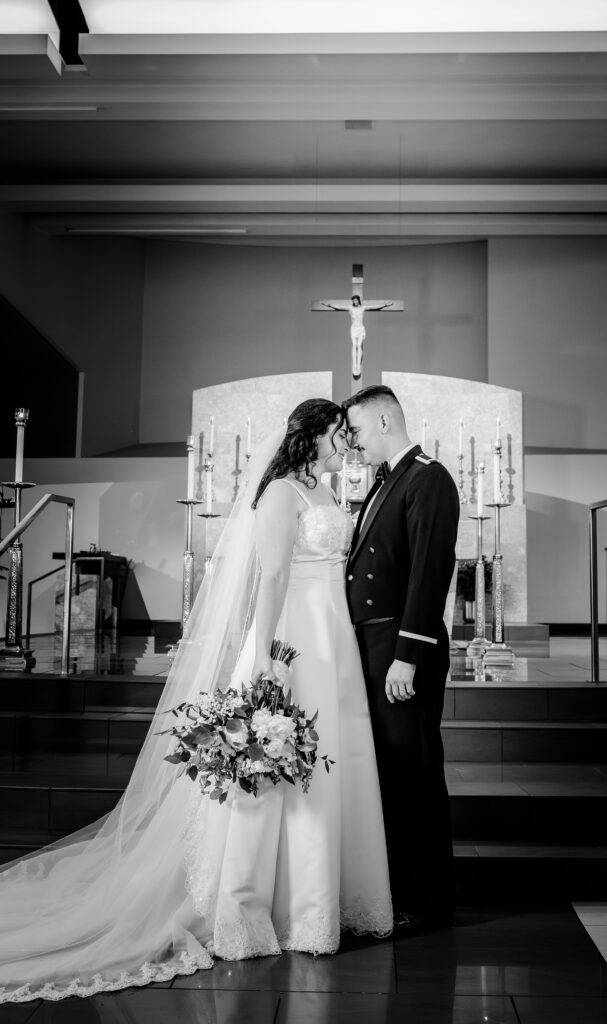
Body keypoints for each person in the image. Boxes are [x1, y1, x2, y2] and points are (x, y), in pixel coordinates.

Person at [0, 399, 392, 1004]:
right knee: (280, 765)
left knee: (328, 757)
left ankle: (317, 899)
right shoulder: (282, 492)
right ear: (312, 434)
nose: (346, 443)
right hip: (293, 638)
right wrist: (263, 653)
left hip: (331, 633)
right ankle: (250, 906)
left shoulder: (324, 490)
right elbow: (275, 576)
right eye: (338, 434)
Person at [343, 385, 459, 927]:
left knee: (413, 770)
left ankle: (426, 902)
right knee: (389, 770)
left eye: (358, 430)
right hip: (374, 645)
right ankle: (398, 893)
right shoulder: (387, 480)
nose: (353, 442)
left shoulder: (429, 477)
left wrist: (407, 655)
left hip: (400, 646)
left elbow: (428, 574)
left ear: (386, 420)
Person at [322, 296, 393, 380]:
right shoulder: (350, 308)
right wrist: (330, 305)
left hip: (360, 328)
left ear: (358, 300)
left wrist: (384, 305)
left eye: (356, 300)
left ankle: (358, 366)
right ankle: (354, 365)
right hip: (353, 328)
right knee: (354, 345)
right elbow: (339, 307)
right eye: (353, 300)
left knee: (359, 346)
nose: (355, 302)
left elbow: (374, 306)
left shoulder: (363, 308)